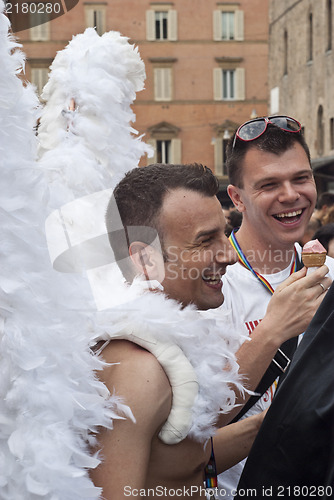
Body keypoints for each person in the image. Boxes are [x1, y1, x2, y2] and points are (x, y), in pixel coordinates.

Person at [88, 162, 330, 499]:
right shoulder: (136, 368)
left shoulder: (168, 342)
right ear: (145, 260)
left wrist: (292, 414)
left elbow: (188, 461)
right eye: (205, 241)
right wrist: (274, 329)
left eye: (223, 232)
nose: (229, 254)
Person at [217, 116, 334, 498]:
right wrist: (272, 331)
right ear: (236, 198)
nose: (290, 195)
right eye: (269, 184)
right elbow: (191, 423)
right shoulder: (207, 287)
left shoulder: (330, 275)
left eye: (301, 178)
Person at [236, 281, 334, 497]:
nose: (224, 257)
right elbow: (192, 438)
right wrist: (272, 329)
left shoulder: (329, 272)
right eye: (204, 244)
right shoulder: (220, 282)